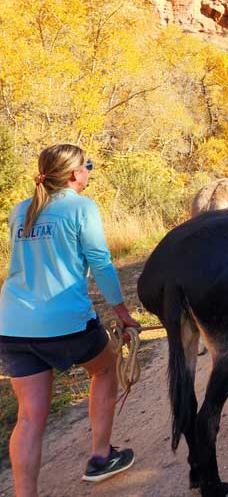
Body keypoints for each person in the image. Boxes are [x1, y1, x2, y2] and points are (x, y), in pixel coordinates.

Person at [0, 144, 141, 496]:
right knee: (105, 368)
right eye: (87, 166)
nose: (89, 171)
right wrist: (122, 312)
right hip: (65, 321)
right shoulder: (81, 207)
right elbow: (101, 262)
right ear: (76, 174)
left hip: (13, 325)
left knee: (30, 417)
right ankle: (100, 456)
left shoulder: (21, 211)